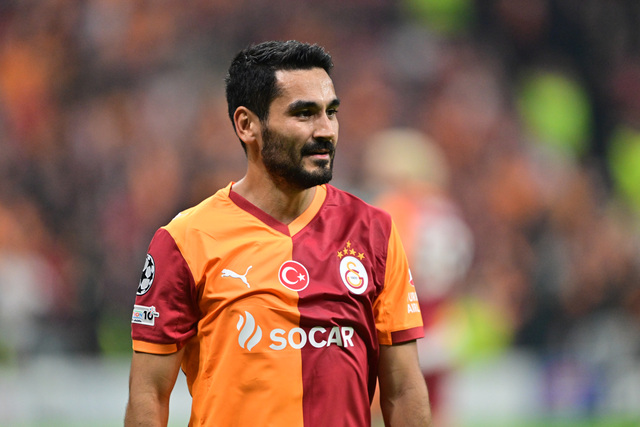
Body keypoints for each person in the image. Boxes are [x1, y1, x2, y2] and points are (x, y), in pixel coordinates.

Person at [124, 40, 431, 427]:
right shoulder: (184, 240)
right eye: (304, 114)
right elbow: (149, 394)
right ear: (247, 125)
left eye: (331, 112)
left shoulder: (374, 231)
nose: (326, 130)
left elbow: (403, 389)